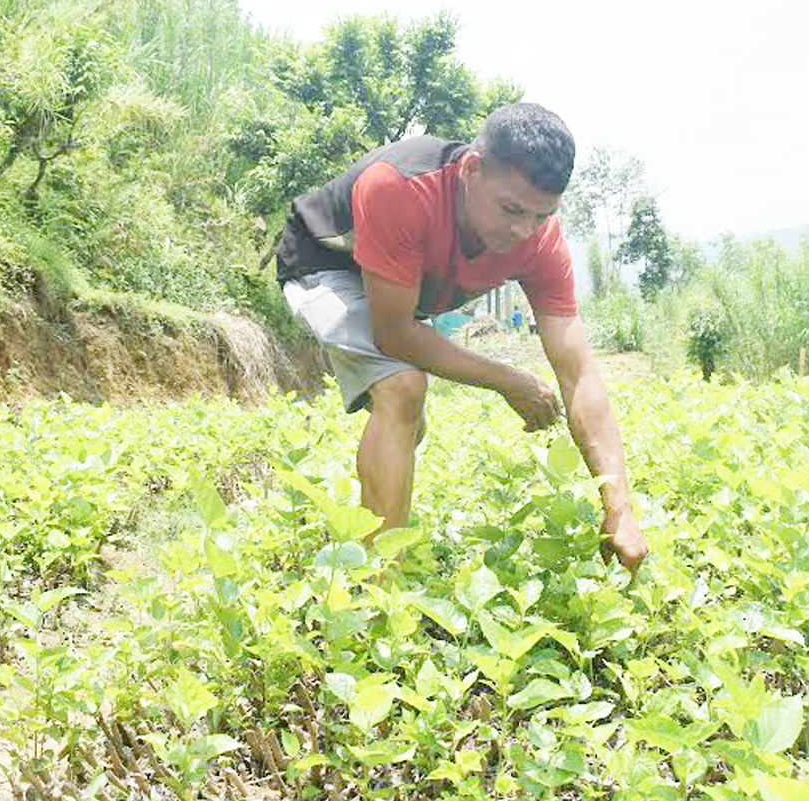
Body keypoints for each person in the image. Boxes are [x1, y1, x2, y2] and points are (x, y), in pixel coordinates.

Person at [273, 103, 647, 573]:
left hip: (401, 289)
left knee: (404, 413)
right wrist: (510, 380)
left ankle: (373, 525)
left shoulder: (541, 242)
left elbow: (578, 372)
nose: (522, 231)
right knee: (401, 386)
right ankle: (375, 586)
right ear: (470, 169)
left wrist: (620, 507)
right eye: (511, 209)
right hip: (322, 265)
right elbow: (395, 335)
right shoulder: (400, 188)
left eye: (540, 215)